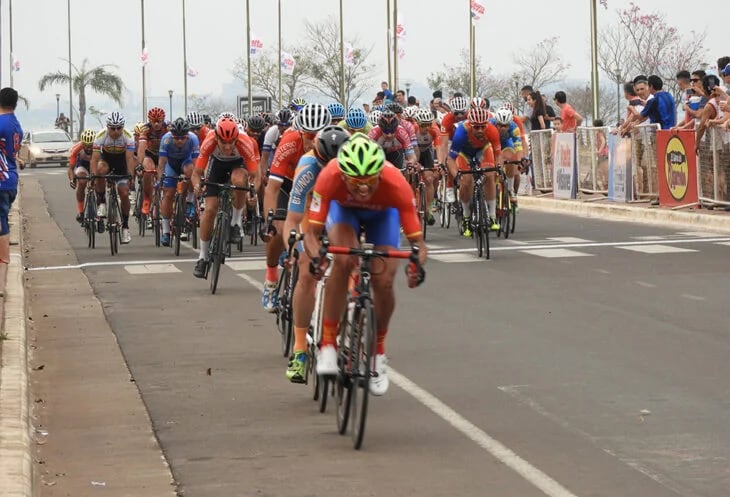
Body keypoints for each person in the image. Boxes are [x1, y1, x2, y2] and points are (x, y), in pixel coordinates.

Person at [304, 133, 427, 396]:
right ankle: (328, 344)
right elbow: (311, 235)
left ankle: (377, 352)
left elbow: (419, 244)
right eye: (355, 181)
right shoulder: (329, 177)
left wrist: (417, 265)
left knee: (383, 280)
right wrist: (316, 257)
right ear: (342, 174)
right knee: (344, 260)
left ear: (380, 175)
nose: (362, 188)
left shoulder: (396, 183)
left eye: (369, 181)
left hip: (383, 216)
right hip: (344, 213)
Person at [282, 125, 351, 383]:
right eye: (326, 162)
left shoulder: (352, 162)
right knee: (306, 268)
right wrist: (293, 246)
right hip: (311, 212)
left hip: (337, 211)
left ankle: (348, 333)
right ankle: (299, 350)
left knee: (351, 261)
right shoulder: (308, 167)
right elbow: (293, 220)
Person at [192, 117, 259, 278]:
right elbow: (197, 173)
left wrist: (252, 193)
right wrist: (196, 185)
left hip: (238, 164)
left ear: (236, 138)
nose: (228, 147)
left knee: (239, 181)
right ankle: (202, 257)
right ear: (216, 138)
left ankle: (236, 223)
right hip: (217, 165)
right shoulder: (209, 142)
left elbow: (255, 175)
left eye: (231, 142)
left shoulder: (244, 142)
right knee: (210, 210)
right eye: (224, 143)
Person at [90, 112, 136, 243]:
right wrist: (94, 175)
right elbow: (94, 158)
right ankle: (102, 201)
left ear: (123, 127)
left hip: (122, 163)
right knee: (100, 169)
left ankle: (125, 227)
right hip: (107, 161)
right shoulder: (100, 136)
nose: (116, 131)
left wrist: (130, 176)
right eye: (112, 128)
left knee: (124, 192)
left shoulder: (128, 136)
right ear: (107, 127)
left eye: (119, 128)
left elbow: (129, 158)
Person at [157, 118, 200, 247]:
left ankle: (190, 201)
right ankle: (165, 231)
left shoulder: (193, 139)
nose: (180, 141)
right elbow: (161, 163)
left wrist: (198, 182)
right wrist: (160, 180)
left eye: (183, 138)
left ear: (187, 136)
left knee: (190, 171)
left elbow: (196, 165)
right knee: (168, 195)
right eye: (177, 138)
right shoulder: (166, 139)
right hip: (171, 165)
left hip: (186, 163)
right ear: (172, 136)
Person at [0, 87, 22, 265]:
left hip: (1, 179)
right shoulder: (16, 125)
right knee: (3, 219)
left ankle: (3, 266)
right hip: (11, 179)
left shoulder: (1, 123)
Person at [68, 128, 97, 223]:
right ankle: (81, 212)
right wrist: (72, 180)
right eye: (86, 146)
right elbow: (71, 169)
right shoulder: (76, 149)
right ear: (82, 144)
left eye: (91, 146)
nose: (88, 148)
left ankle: (101, 210)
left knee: (99, 183)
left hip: (96, 165)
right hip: (82, 166)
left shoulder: (100, 146)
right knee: (82, 182)